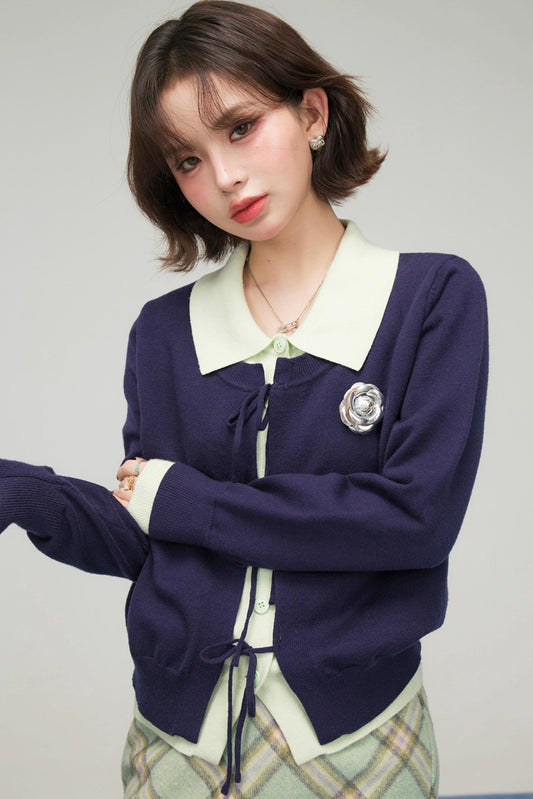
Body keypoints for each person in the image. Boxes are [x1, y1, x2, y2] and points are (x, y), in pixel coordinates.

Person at [0, 1, 488, 797]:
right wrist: (25, 492)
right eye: (187, 159)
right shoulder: (164, 333)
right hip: (174, 745)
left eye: (240, 127)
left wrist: (188, 501)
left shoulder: (429, 298)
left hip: (357, 741)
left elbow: (415, 519)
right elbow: (153, 537)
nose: (223, 176)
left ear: (312, 114)